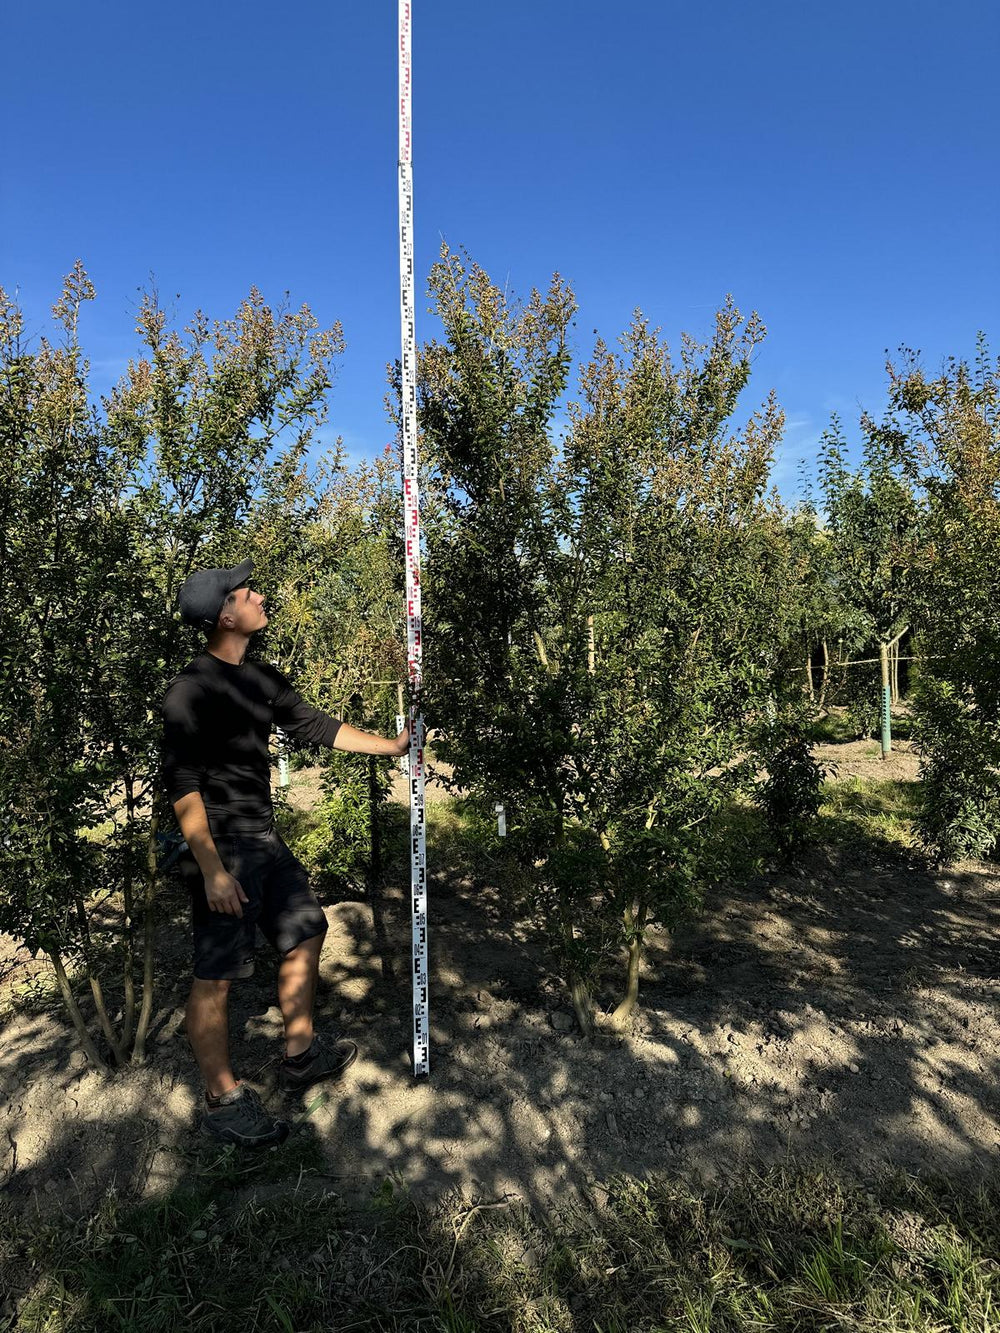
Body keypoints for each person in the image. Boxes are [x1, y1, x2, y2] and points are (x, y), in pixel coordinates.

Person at [161, 560, 409, 1147]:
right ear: (225, 613)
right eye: (249, 593)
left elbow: (318, 727)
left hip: (265, 841)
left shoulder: (260, 678)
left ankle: (299, 1052)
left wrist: (393, 746)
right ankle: (223, 1101)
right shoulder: (189, 692)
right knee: (216, 977)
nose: (261, 596)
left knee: (305, 930)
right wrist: (214, 869)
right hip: (222, 851)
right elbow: (183, 785)